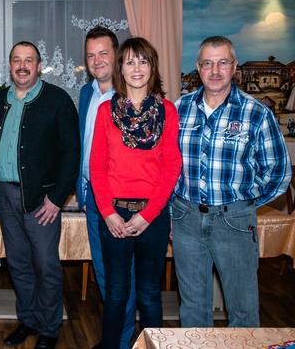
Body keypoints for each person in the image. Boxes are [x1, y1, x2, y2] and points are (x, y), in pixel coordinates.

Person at [172, 36, 292, 327]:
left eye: (223, 62)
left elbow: (278, 173)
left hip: (235, 222)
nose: (215, 71)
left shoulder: (256, 113)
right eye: (208, 63)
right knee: (192, 308)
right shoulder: (179, 109)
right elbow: (168, 167)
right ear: (198, 68)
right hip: (186, 219)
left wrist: (244, 203)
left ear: (234, 67)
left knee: (242, 309)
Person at [89, 37, 181, 349]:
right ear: (121, 69)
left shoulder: (167, 111)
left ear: (152, 67)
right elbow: (97, 167)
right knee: (116, 293)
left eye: (143, 61)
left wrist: (146, 215)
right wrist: (109, 213)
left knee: (150, 295)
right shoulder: (105, 112)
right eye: (129, 61)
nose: (137, 67)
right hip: (113, 215)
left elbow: (171, 169)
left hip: (152, 217)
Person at [0, 41, 80, 349]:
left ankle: (50, 327)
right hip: (5, 196)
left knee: (46, 265)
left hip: (41, 201)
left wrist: (56, 198)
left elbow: (71, 154)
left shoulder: (57, 100)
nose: (23, 65)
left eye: (29, 60)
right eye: (17, 60)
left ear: (39, 66)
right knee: (18, 264)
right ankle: (27, 320)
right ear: (10, 65)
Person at [76, 26, 136, 349]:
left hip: (120, 202)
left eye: (103, 53)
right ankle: (114, 337)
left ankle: (122, 342)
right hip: (92, 198)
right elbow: (84, 146)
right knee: (103, 274)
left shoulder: (132, 96)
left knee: (121, 278)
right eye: (90, 55)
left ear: (117, 56)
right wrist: (82, 191)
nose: (97, 60)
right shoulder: (86, 93)